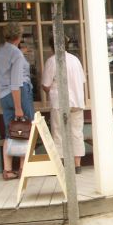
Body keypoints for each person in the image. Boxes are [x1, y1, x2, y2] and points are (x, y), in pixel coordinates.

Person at [41, 37, 86, 173]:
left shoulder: (52, 61)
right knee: (76, 133)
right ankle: (77, 164)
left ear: (52, 47)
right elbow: (82, 81)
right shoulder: (75, 60)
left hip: (60, 102)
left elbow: (46, 84)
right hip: (77, 101)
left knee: (58, 133)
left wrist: (49, 90)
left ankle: (60, 164)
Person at [0, 22, 34, 181]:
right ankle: (23, 168)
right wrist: (18, 107)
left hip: (3, 95)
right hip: (18, 93)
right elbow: (16, 82)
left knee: (10, 130)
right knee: (25, 128)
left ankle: (8, 169)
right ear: (19, 36)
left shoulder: (1, 51)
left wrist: (20, 53)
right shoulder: (16, 54)